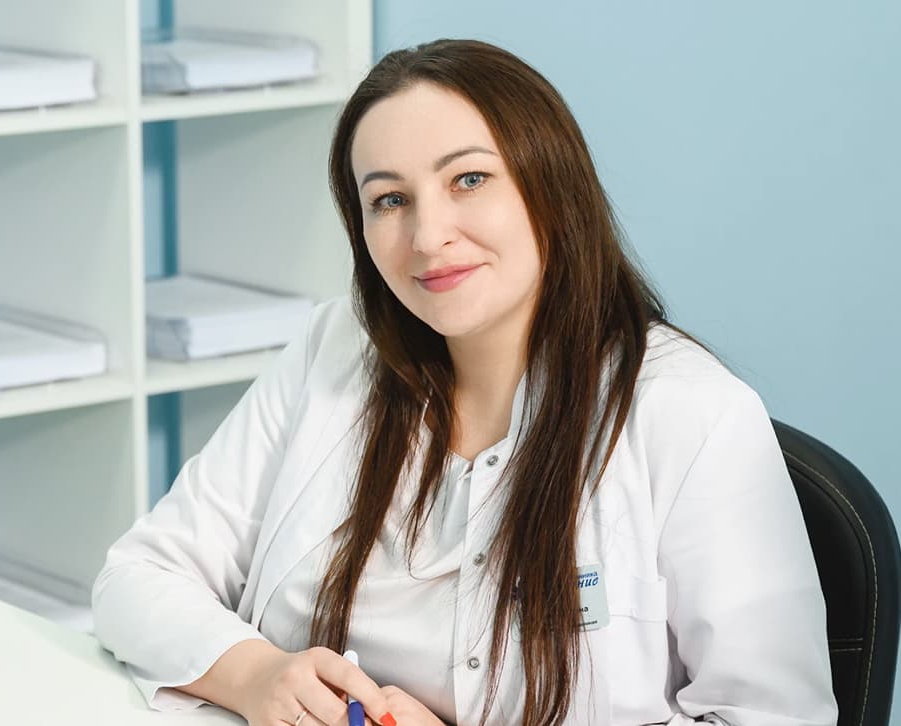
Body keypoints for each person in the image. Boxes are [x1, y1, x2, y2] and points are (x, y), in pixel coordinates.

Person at [92, 39, 838, 726]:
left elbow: (775, 718)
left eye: (469, 180)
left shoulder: (690, 412)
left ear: (552, 186)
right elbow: (139, 576)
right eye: (389, 200)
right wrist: (258, 677)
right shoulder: (335, 350)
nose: (428, 236)